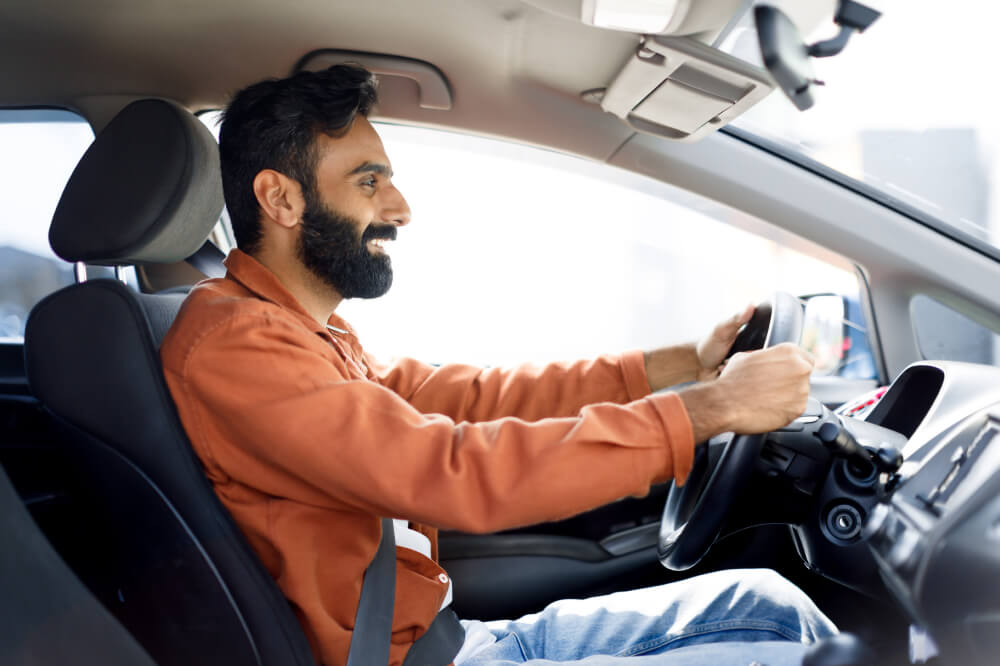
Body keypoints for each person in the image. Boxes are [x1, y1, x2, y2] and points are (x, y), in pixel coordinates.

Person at [160, 64, 834, 666]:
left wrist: (685, 365)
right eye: (370, 182)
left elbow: (468, 399)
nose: (400, 209)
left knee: (767, 601)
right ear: (281, 200)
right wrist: (707, 411)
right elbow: (452, 471)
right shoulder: (236, 344)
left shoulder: (307, 330)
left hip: (450, 642)